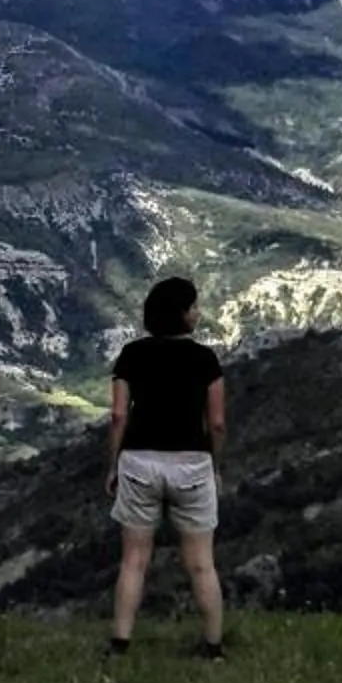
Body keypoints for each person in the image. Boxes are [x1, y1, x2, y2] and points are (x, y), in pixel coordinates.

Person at [103, 275, 226, 660]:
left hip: (139, 460)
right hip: (192, 463)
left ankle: (120, 644)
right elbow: (218, 422)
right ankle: (213, 647)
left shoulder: (132, 355)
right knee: (202, 564)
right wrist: (215, 465)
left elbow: (119, 415)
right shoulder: (206, 359)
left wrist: (113, 465)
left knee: (134, 560)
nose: (198, 312)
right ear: (184, 314)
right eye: (194, 306)